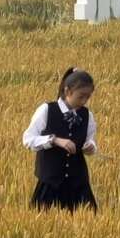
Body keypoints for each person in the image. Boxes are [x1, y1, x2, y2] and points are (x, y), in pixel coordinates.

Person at [22, 68, 98, 212]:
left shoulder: (88, 115)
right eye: (81, 96)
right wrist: (54, 140)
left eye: (87, 97)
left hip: (78, 184)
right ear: (68, 91)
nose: (84, 101)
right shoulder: (46, 110)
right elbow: (28, 139)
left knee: (88, 221)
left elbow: (91, 141)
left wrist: (90, 147)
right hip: (50, 183)